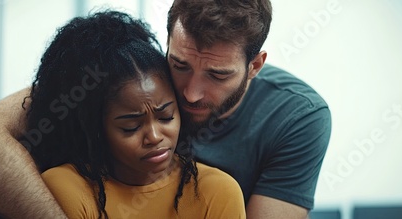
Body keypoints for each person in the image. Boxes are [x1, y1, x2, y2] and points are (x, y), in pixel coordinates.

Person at [0, 0, 331, 218]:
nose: (191, 93)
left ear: (255, 66)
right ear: (167, 42)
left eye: (217, 74)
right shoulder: (139, 70)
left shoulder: (298, 116)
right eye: (180, 64)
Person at [28, 10, 245, 218]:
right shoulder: (67, 188)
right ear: (96, 128)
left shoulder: (217, 192)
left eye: (166, 117)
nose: (154, 136)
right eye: (131, 127)